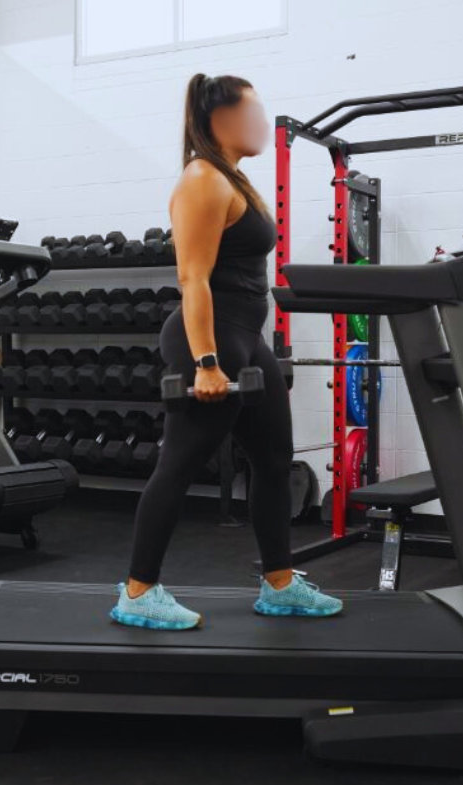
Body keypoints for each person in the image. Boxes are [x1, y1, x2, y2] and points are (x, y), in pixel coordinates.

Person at [111, 74, 342, 631]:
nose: (263, 124)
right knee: (179, 465)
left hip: (245, 337)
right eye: (254, 114)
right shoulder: (202, 179)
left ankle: (280, 584)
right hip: (209, 340)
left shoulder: (233, 179)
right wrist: (208, 362)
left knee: (272, 459)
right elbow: (192, 278)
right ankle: (138, 591)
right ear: (220, 120)